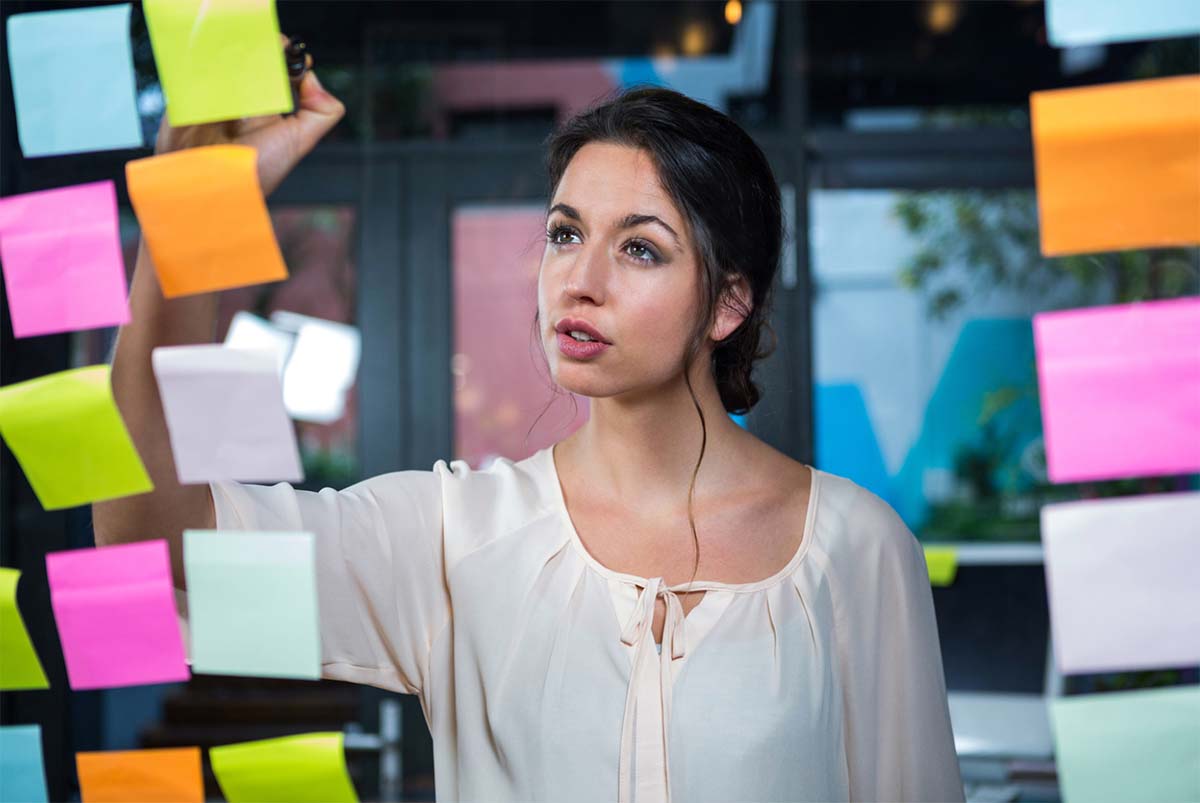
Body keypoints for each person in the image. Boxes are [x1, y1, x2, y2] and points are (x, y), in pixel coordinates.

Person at [93, 56, 964, 803]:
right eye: (564, 233)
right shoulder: (452, 537)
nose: (578, 281)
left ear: (729, 300)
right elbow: (146, 532)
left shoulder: (857, 547)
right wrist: (192, 213)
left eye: (640, 248)